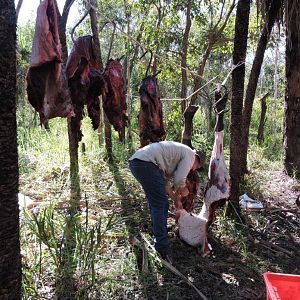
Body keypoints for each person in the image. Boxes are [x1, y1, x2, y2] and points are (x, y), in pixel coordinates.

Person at [129, 141, 204, 259]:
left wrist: (175, 199)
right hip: (146, 164)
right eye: (197, 167)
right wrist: (184, 190)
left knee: (156, 203)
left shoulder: (176, 155)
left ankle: (158, 235)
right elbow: (179, 180)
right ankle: (161, 246)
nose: (194, 170)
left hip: (137, 163)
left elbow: (165, 184)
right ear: (197, 161)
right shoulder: (190, 155)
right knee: (161, 205)